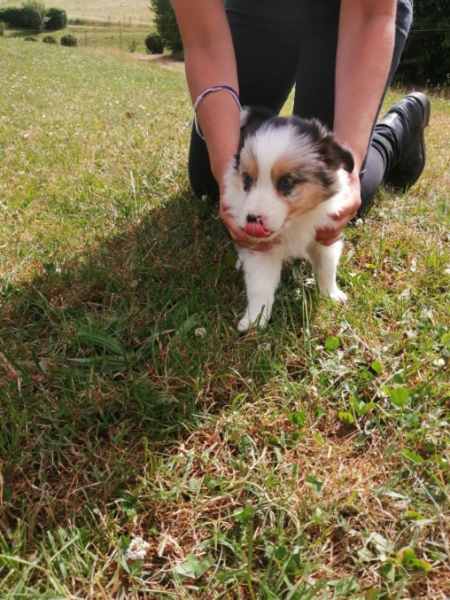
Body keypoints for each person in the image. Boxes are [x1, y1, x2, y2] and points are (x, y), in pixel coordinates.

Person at [171, 0, 430, 249]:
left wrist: (347, 165)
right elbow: (205, 41)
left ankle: (395, 131)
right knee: (210, 182)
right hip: (260, 6)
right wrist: (227, 173)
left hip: (355, 12)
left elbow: (368, 13)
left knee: (325, 198)